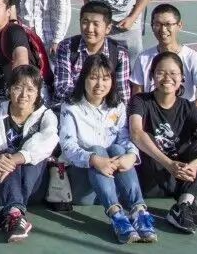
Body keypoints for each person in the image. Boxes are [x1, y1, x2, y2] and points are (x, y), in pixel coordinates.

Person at [58, 54, 157, 243]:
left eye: (105, 78)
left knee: (119, 150)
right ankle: (117, 216)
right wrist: (94, 159)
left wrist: (132, 156)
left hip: (114, 183)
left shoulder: (117, 106)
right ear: (84, 78)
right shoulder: (71, 107)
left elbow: (125, 138)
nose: (100, 84)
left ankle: (138, 211)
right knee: (97, 150)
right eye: (93, 78)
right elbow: (68, 146)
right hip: (84, 185)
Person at [128, 51, 197, 233]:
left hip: (179, 177)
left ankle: (184, 204)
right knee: (147, 137)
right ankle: (186, 202)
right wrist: (169, 163)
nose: (167, 78)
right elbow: (136, 133)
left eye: (173, 73)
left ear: (182, 78)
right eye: (161, 72)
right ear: (152, 76)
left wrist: (196, 164)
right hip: (151, 175)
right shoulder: (140, 101)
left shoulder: (188, 106)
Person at [0, 65, 59, 243]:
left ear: (38, 92)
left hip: (33, 185)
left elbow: (47, 143)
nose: (24, 94)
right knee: (6, 153)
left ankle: (9, 212)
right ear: (9, 89)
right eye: (18, 87)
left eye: (30, 89)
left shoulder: (46, 116)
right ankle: (15, 214)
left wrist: (16, 158)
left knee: (30, 156)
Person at [131, 3, 197, 139]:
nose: (163, 29)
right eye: (157, 24)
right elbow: (137, 96)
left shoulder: (193, 57)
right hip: (154, 119)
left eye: (168, 24)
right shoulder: (143, 58)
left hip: (183, 118)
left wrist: (177, 112)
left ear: (179, 25)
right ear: (152, 26)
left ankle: (196, 149)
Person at [54, 1, 131, 107]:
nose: (89, 29)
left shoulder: (119, 54)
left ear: (108, 28)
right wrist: (92, 100)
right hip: (71, 106)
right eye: (85, 22)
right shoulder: (67, 47)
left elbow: (123, 95)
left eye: (96, 24)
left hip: (105, 109)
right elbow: (62, 88)